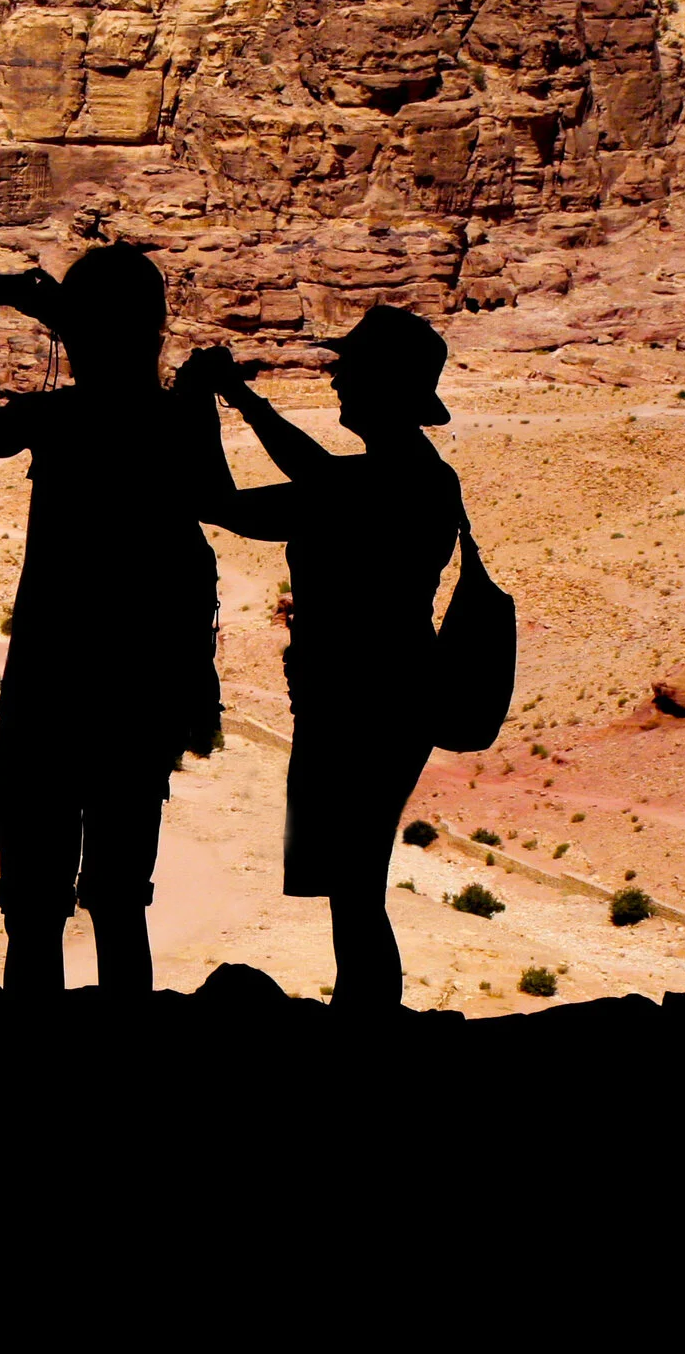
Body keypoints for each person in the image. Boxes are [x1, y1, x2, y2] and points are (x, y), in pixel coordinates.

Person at [0, 245, 224, 997]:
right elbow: (215, 497)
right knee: (120, 898)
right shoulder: (175, 418)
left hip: (50, 680)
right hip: (141, 686)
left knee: (34, 903)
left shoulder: (63, 416)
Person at [183, 304, 464, 1012]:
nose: (337, 378)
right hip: (376, 705)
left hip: (361, 711)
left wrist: (233, 399)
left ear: (385, 385)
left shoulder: (386, 486)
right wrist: (231, 402)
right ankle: (363, 1017)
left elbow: (251, 495)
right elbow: (232, 502)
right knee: (355, 887)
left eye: (352, 368)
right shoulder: (415, 481)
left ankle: (366, 1024)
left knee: (357, 888)